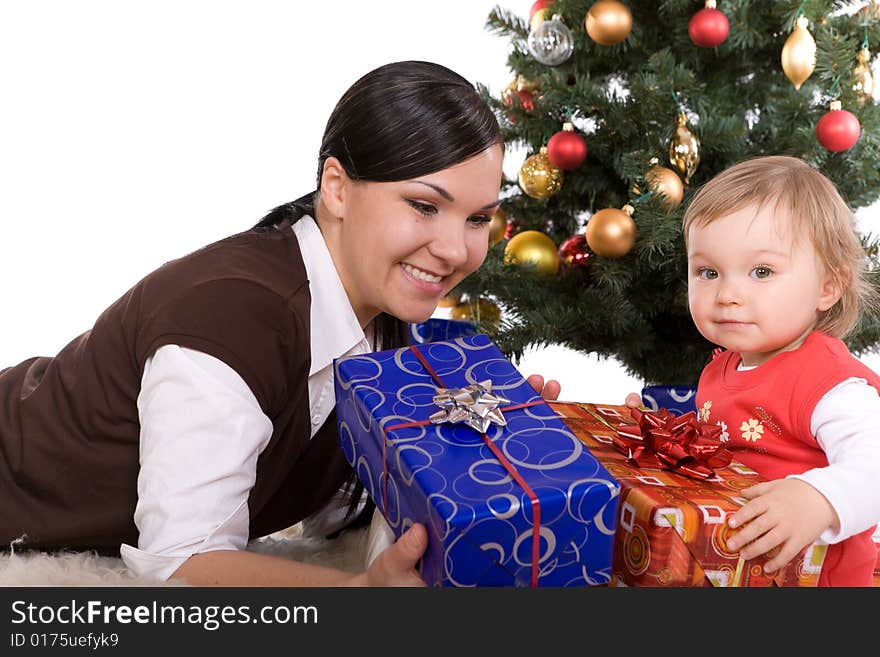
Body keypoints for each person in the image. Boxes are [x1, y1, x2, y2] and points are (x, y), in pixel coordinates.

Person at [0, 60, 560, 587]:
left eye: (479, 218)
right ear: (337, 189)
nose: (454, 250)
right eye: (423, 205)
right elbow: (179, 561)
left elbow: (341, 514)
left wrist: (482, 452)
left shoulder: (381, 323)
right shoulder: (233, 314)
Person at [628, 155, 880, 586]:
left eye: (761, 271)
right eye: (708, 272)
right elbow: (727, 438)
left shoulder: (830, 384)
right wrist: (667, 434)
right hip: (733, 563)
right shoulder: (726, 363)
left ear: (827, 287)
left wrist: (819, 498)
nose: (727, 293)